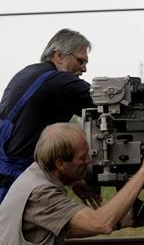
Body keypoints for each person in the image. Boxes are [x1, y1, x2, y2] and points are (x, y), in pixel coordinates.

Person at [0, 123, 144, 245]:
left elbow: (66, 230)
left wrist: (121, 221)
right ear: (60, 164)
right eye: (82, 157)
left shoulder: (34, 177)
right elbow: (101, 223)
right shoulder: (41, 194)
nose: (88, 161)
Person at [0, 28, 95, 204]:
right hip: (20, 179)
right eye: (80, 61)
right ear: (58, 56)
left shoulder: (27, 74)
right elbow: (105, 99)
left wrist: (73, 179)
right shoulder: (58, 82)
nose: (84, 69)